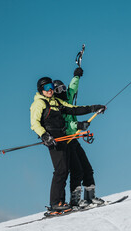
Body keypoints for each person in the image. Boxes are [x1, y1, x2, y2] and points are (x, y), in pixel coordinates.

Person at [30, 76, 106, 214]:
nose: (50, 90)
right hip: (53, 140)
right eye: (47, 88)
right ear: (41, 90)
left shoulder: (56, 102)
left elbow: (74, 109)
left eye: (52, 87)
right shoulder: (39, 103)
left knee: (65, 170)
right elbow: (34, 123)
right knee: (60, 171)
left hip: (64, 137)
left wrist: (94, 108)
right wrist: (44, 135)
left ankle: (61, 202)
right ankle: (55, 203)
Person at [53, 67, 104, 208]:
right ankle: (75, 200)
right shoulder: (57, 106)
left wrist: (76, 76)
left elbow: (72, 88)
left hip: (74, 140)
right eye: (58, 90)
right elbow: (66, 125)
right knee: (77, 170)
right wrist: (78, 125)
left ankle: (90, 197)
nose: (62, 91)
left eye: (63, 88)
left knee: (87, 168)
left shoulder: (67, 97)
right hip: (66, 141)